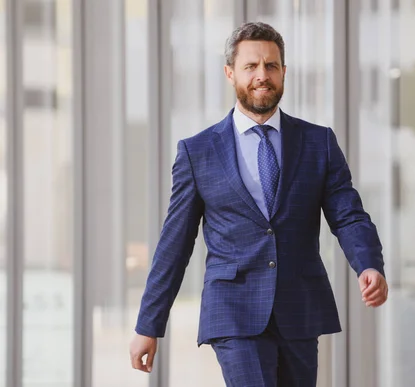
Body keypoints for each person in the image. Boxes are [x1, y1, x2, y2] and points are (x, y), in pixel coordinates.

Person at [129, 21, 388, 386]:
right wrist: (148, 325)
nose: (261, 75)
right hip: (233, 312)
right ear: (230, 72)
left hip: (298, 306)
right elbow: (175, 243)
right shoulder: (198, 151)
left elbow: (348, 215)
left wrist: (368, 264)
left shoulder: (319, 143)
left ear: (284, 72)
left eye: (270, 66)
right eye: (251, 66)